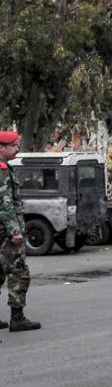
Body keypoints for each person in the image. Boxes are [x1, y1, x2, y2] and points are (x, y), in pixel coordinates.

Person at [0, 131, 42, 332]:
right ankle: (17, 318)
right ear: (2, 148)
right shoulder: (1, 170)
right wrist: (15, 231)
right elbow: (4, 204)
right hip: (6, 234)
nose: (17, 149)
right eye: (13, 146)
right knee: (18, 272)